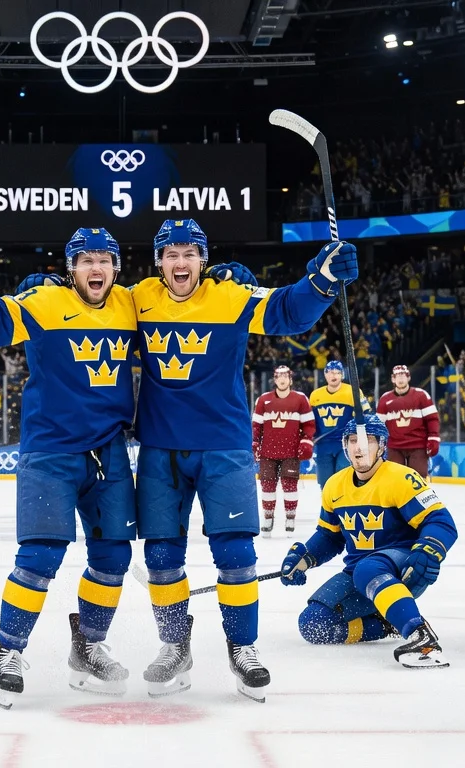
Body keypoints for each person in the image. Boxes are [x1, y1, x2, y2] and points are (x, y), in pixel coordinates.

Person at [132, 218, 359, 702]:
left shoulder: (232, 294)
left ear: (203, 258)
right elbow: (88, 312)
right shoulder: (136, 299)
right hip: (159, 447)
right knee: (161, 556)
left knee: (236, 554)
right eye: (170, 254)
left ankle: (244, 647)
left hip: (224, 447)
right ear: (158, 261)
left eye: (190, 252)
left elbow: (288, 312)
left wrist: (323, 277)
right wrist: (51, 288)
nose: (180, 262)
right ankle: (175, 646)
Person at [0, 227, 138, 709]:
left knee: (113, 557)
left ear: (117, 268)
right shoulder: (42, 300)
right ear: (70, 269)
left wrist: (220, 280)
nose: (96, 268)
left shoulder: (132, 303)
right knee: (40, 556)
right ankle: (9, 650)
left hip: (109, 452)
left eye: (105, 259)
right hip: (50, 452)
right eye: (85, 260)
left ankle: (88, 647)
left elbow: (184, 311)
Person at [280, 414, 456, 668]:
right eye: (353, 440)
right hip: (360, 572)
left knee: (368, 568)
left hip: (405, 565)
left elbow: (441, 521)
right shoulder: (334, 485)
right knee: (314, 624)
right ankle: (387, 624)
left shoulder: (401, 478)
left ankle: (421, 637)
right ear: (345, 444)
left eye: (367, 440)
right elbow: (329, 536)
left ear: (382, 446)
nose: (359, 448)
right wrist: (306, 558)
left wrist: (429, 549)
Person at [251, 364, 314, 536]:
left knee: (289, 486)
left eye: (285, 376)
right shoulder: (263, 400)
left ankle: (290, 517)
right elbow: (256, 426)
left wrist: (306, 441)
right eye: (279, 376)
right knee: (267, 486)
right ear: (275, 379)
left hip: (291, 452)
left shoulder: (301, 399)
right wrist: (255, 443)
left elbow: (308, 425)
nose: (282, 379)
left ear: (290, 379)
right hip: (268, 452)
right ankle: (268, 518)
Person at [376, 364, 440, 477]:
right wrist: (377, 444)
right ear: (392, 378)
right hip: (394, 446)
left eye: (403, 375)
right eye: (397, 376)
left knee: (418, 478)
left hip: (418, 445)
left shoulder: (421, 395)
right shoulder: (385, 399)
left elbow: (432, 419)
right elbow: (378, 425)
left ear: (408, 377)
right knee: (395, 479)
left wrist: (433, 438)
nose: (400, 379)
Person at [309, 360, 359, 487]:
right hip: (323, 444)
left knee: (343, 480)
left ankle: (343, 507)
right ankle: (326, 507)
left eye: (338, 372)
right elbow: (309, 421)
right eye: (331, 372)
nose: (334, 376)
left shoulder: (353, 392)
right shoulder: (315, 395)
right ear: (325, 374)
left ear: (342, 375)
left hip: (344, 444)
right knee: (325, 484)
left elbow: (364, 416)